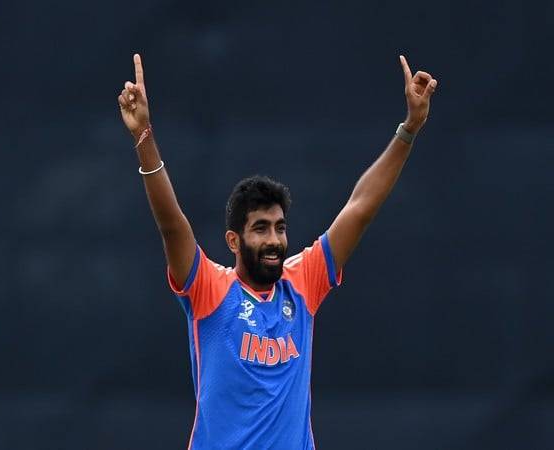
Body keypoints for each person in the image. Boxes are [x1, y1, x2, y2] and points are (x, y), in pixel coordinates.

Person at [117, 53, 437, 450]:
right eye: (260, 229)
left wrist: (409, 129)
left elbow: (360, 207)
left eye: (280, 228)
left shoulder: (302, 282)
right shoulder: (209, 290)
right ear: (234, 240)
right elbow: (171, 224)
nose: (274, 240)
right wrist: (144, 135)